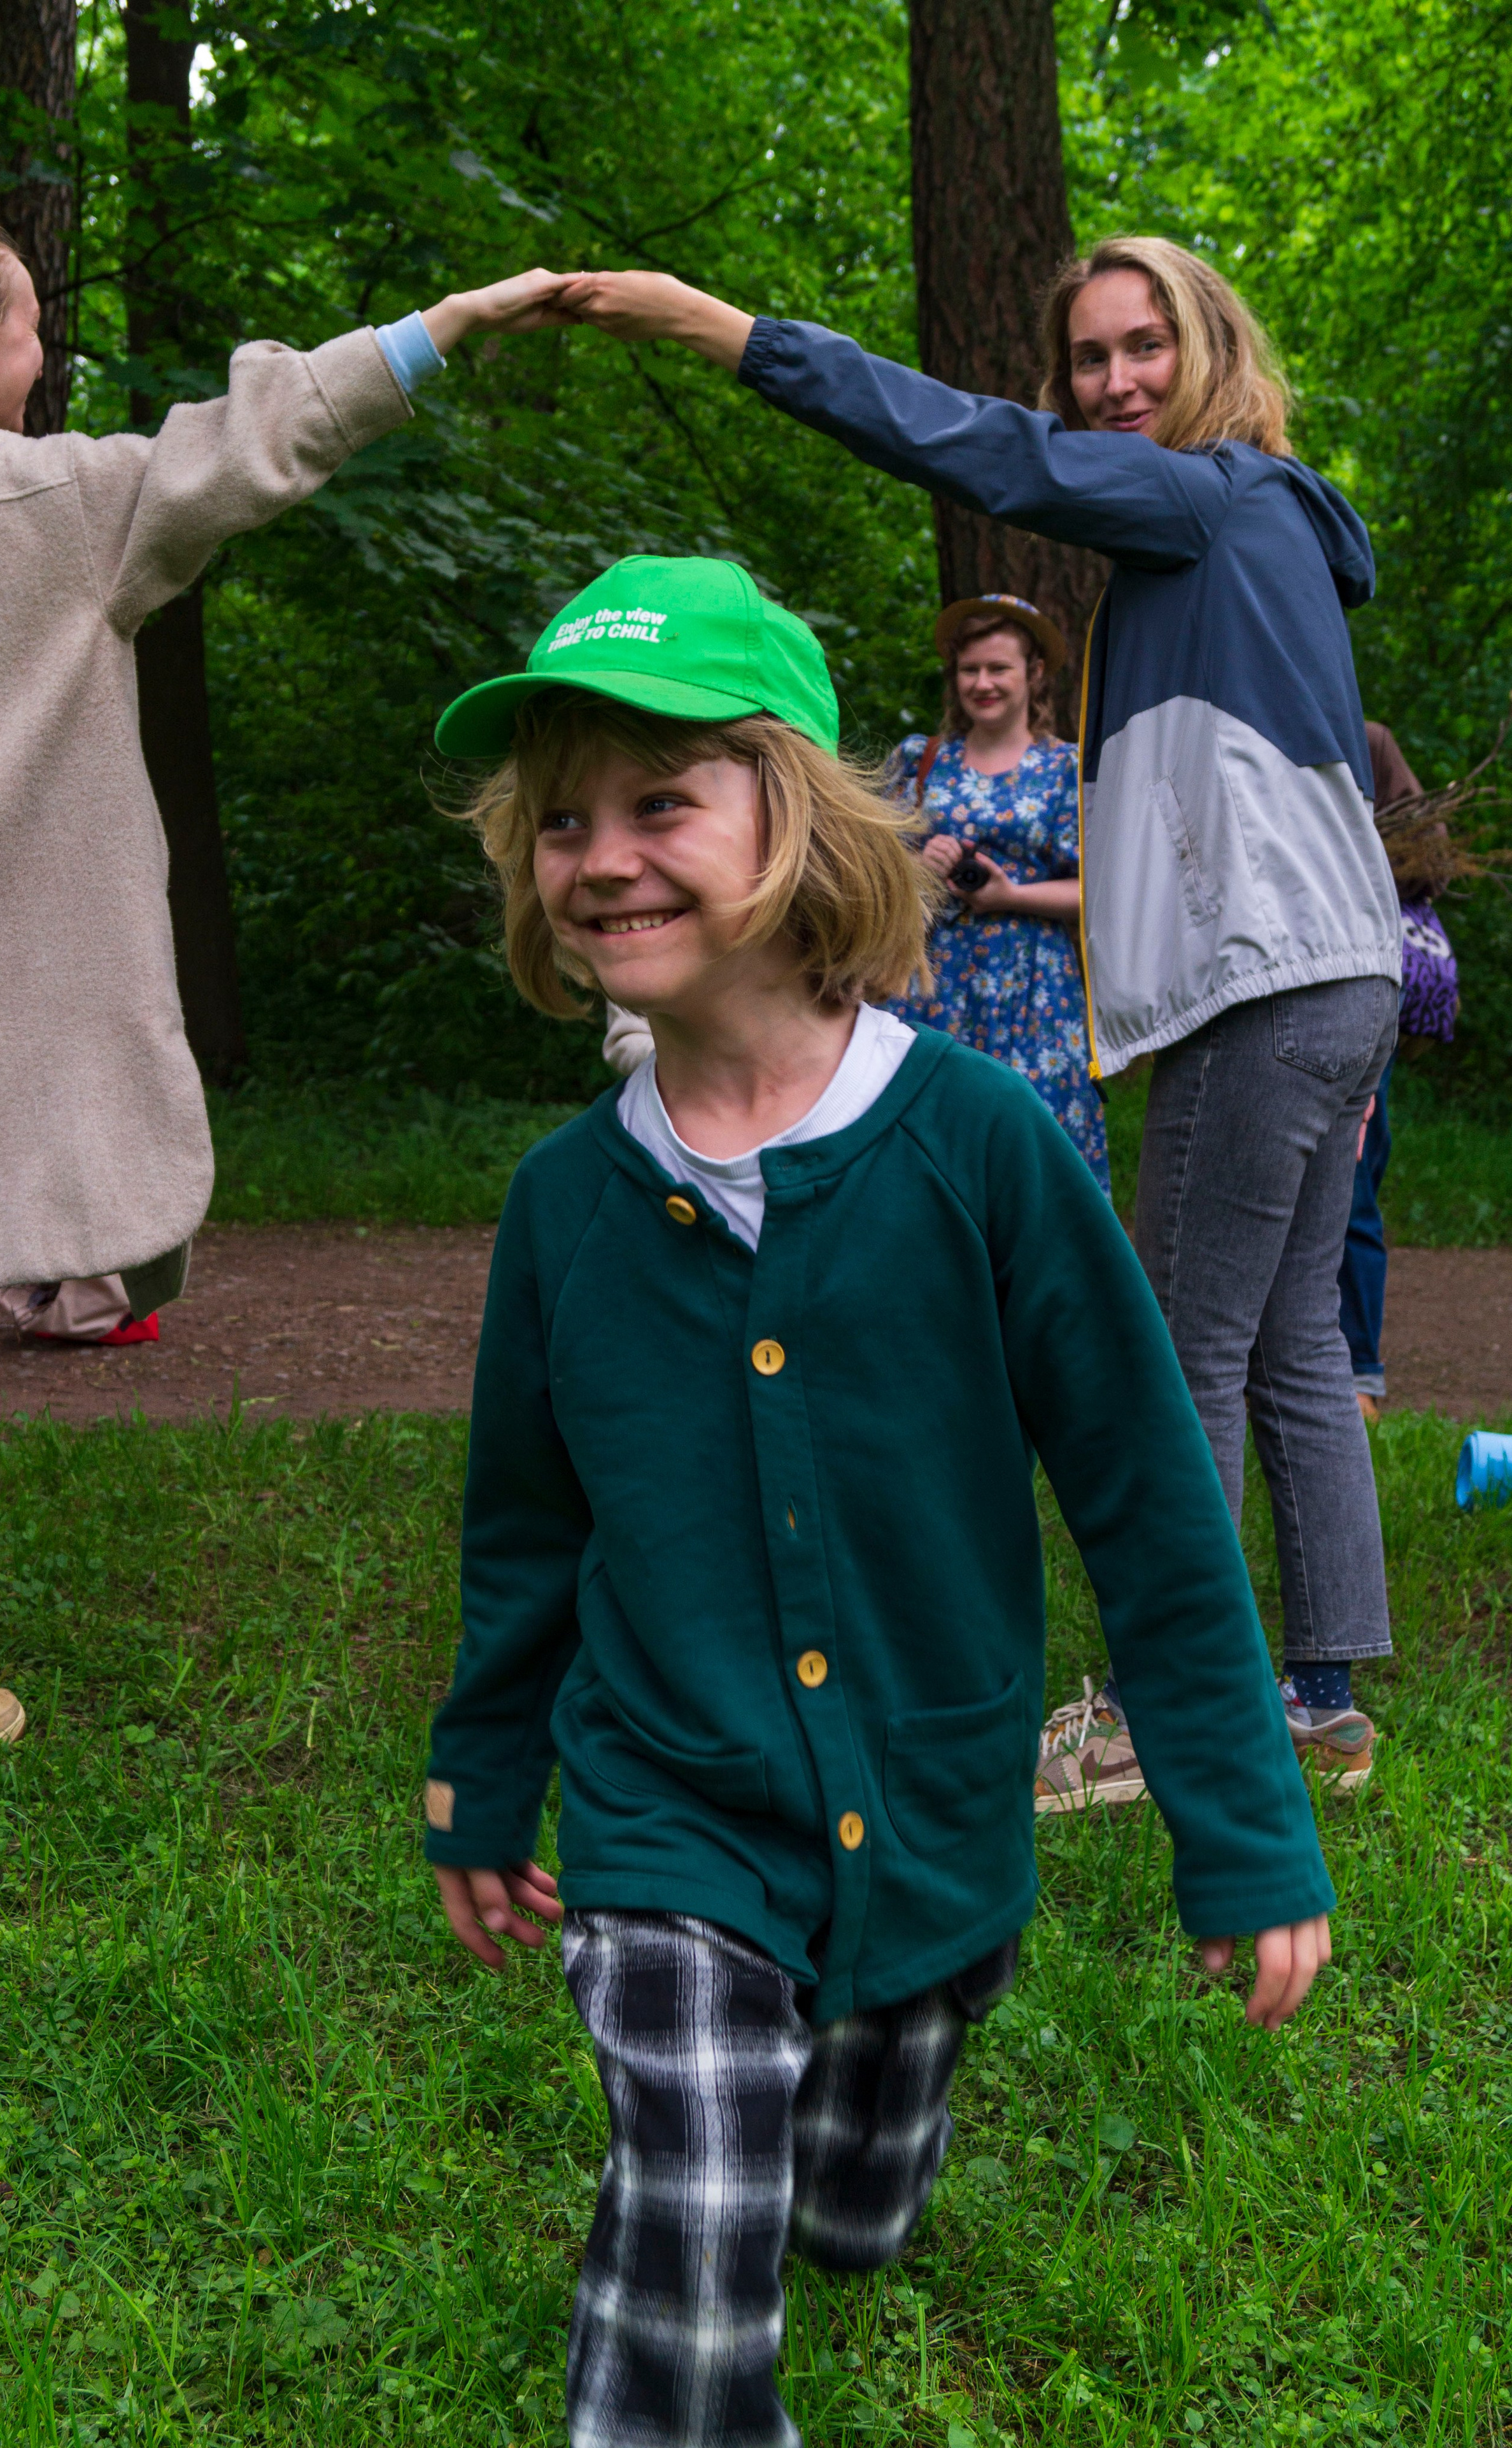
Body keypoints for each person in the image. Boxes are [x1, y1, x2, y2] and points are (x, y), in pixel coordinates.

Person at [422, 551, 1334, 2448]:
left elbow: (1147, 1499)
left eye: (659, 800)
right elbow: (523, 1525)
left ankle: (853, 2169)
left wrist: (1237, 1822)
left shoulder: (977, 1150)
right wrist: (485, 1769)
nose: (600, 854)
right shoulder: (561, 1211)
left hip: (928, 1801)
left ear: (799, 817)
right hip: (668, 1798)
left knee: (841, 2186)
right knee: (691, 2189)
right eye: (560, 819)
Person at [557, 242, 1400, 1801]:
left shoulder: (1207, 496)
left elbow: (976, 448)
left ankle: (1173, 1712)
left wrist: (729, 333)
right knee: (1287, 1340)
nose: (1113, 385)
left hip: (1267, 983)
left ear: (1213, 347)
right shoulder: (1255, 536)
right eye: (1086, 360)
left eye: (1145, 345)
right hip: (1335, 976)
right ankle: (1321, 1701)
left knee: (1177, 1351)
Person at [0, 215, 579, 1744]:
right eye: (30, 323)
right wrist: (446, 318)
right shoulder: (42, 502)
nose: (44, 351)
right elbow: (258, 438)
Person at [889, 593, 1108, 1191]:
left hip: (1037, 994)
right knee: (926, 1142)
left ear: (1033, 674)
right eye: (969, 670)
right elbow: (866, 873)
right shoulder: (920, 761)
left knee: (1037, 1149)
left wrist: (1011, 896)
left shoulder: (1067, 768)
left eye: (998, 669)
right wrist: (918, 867)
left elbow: (1104, 894)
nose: (982, 683)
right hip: (929, 986)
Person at [1338, 720, 1459, 1420]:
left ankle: (1358, 1376)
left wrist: (1349, 852)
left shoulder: (1370, 740)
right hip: (1243, 1000)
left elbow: (1431, 866)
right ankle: (1256, 1367)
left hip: (1356, 997)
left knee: (1348, 1190)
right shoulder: (1229, 724)